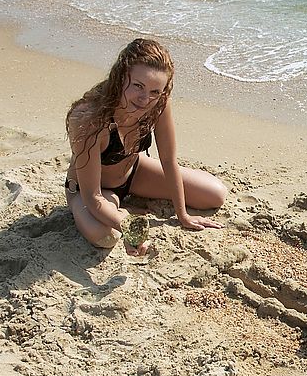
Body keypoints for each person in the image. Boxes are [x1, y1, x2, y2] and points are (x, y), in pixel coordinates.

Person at [64, 38, 227, 256]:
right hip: (92, 191)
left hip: (134, 174)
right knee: (106, 236)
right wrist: (131, 228)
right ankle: (120, 210)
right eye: (138, 86)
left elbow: (168, 160)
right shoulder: (89, 119)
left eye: (154, 91)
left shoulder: (158, 103)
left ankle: (123, 207)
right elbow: (93, 198)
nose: (144, 99)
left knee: (215, 194)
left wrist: (183, 215)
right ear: (120, 77)